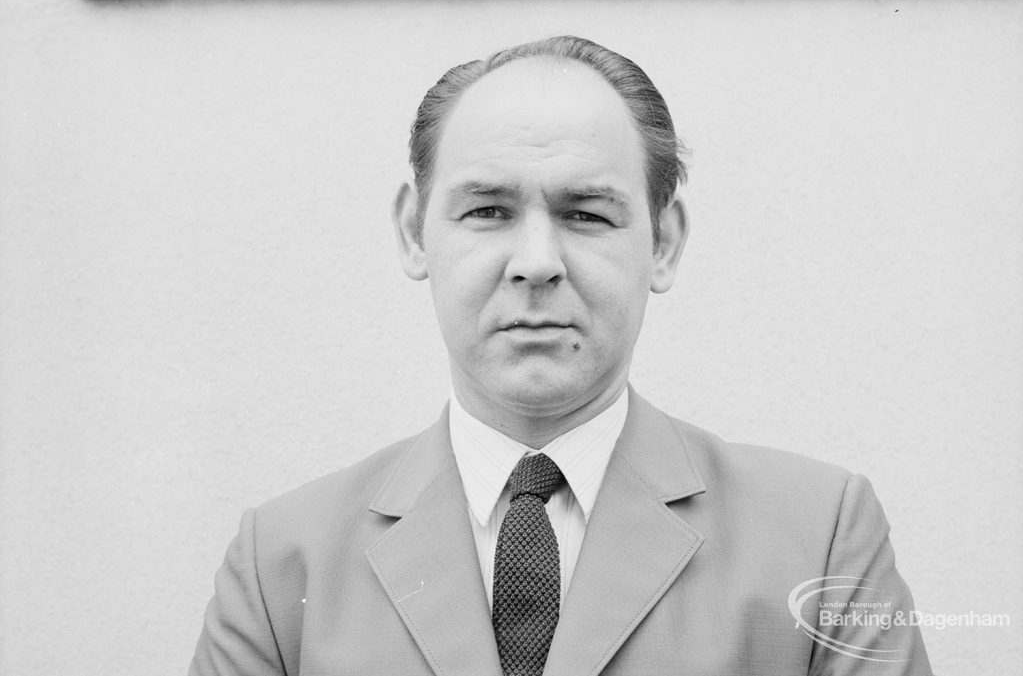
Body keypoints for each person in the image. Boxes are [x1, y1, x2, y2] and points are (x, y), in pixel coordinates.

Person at [189, 36, 931, 675]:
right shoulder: (282, 562)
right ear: (416, 232)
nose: (536, 262)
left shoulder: (818, 535)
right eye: (488, 211)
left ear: (664, 243)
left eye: (585, 214)